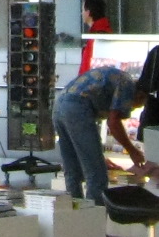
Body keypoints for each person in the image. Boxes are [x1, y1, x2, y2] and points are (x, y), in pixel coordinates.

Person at [54, 62, 145, 206]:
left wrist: (96, 156)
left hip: (59, 105)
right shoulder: (127, 85)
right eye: (136, 106)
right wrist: (132, 151)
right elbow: (113, 123)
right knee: (97, 175)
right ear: (139, 96)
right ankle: (94, 214)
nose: (132, 109)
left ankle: (73, 213)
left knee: (73, 170)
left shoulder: (119, 79)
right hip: (77, 108)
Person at [79, 0, 112, 72]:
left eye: (83, 10)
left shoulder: (97, 36)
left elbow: (87, 66)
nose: (81, 13)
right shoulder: (101, 31)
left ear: (88, 12)